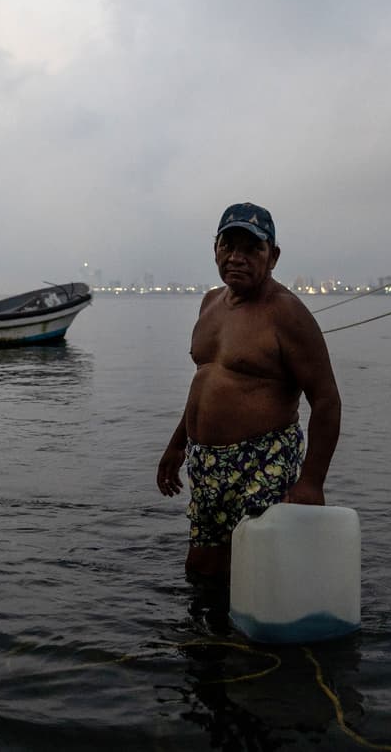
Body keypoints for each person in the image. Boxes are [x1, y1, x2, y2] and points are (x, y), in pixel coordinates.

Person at [157, 202, 342, 578]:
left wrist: (311, 482)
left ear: (272, 256)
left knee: (259, 569)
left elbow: (325, 401)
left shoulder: (286, 312)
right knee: (203, 570)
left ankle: (258, 635)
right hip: (206, 462)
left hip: (263, 460)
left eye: (251, 249)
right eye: (229, 246)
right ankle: (208, 637)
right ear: (215, 249)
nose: (237, 258)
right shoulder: (210, 303)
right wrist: (178, 444)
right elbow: (206, 380)